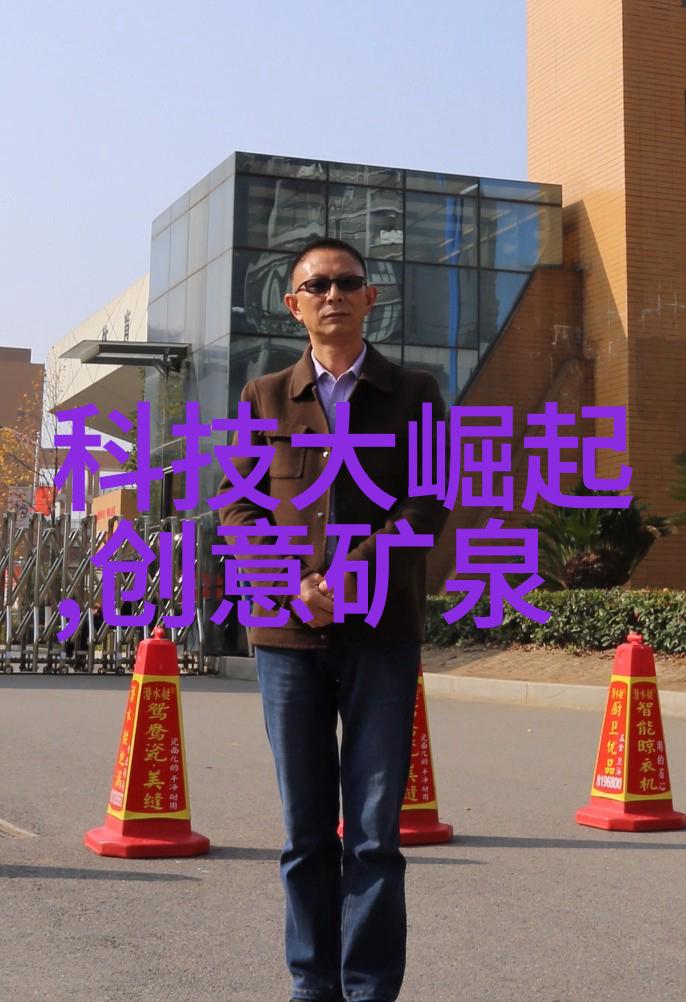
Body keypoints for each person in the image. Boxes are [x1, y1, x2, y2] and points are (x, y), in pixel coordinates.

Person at [220, 237, 448, 1002]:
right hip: (287, 638)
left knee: (375, 835)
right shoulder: (263, 397)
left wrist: (355, 572)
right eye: (316, 286)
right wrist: (295, 583)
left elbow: (428, 502)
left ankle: (369, 989)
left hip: (381, 634)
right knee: (306, 831)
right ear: (294, 306)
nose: (333, 295)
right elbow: (240, 508)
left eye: (348, 282)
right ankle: (312, 986)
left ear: (370, 297)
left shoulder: (414, 392)